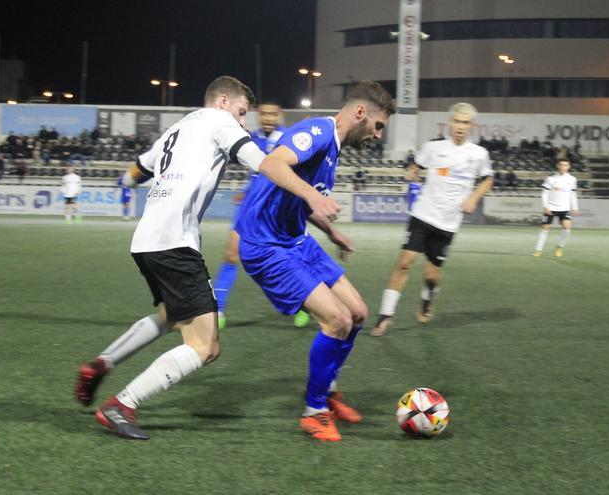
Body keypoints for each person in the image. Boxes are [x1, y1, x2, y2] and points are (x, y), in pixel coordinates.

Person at [73, 76, 268, 440]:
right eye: (242, 113)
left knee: (171, 316)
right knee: (205, 346)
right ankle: (123, 404)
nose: (243, 122)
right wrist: (294, 176)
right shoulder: (219, 120)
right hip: (175, 243)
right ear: (223, 101)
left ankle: (102, 363)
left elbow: (136, 171)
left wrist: (125, 186)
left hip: (146, 240)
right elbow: (259, 160)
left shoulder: (176, 129)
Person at [236, 81, 396, 441]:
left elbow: (297, 199)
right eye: (378, 125)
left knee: (357, 312)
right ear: (360, 113)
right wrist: (313, 196)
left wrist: (330, 231)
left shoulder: (333, 147)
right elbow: (273, 165)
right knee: (336, 319)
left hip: (296, 240)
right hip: (265, 246)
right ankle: (314, 411)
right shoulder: (317, 131)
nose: (378, 135)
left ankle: (328, 391)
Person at [370, 102, 493, 337]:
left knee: (431, 275)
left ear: (471, 126)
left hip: (448, 223)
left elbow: (488, 179)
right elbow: (416, 166)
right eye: (457, 121)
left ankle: (428, 298)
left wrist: (474, 197)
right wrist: (412, 171)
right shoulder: (433, 148)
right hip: (422, 215)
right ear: (449, 122)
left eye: (465, 122)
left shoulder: (479, 154)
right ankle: (385, 316)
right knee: (405, 262)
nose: (460, 126)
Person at [211, 102, 310, 330]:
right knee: (231, 255)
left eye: (272, 114)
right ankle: (219, 310)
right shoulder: (251, 138)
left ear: (280, 115)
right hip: (250, 206)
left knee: (292, 259)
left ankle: (304, 306)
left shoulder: (291, 138)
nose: (267, 118)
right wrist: (245, 193)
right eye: (263, 113)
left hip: (279, 209)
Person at [534, 159, 579, 258]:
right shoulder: (550, 178)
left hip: (565, 208)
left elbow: (573, 194)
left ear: (569, 167)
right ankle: (538, 250)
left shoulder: (572, 179)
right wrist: (545, 206)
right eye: (561, 165)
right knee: (545, 228)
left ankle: (559, 247)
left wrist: (575, 207)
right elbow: (544, 193)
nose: (563, 167)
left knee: (567, 227)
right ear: (558, 166)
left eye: (566, 165)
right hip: (551, 207)